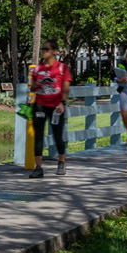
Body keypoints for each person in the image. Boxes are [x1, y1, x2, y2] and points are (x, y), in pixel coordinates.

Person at [27, 40, 73, 178]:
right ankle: (39, 167)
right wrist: (34, 86)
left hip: (55, 106)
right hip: (40, 105)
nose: (44, 51)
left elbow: (66, 87)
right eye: (43, 49)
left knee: (57, 135)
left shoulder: (61, 68)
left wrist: (62, 102)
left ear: (55, 51)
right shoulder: (37, 69)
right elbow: (32, 87)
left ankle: (61, 161)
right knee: (38, 136)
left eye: (47, 49)